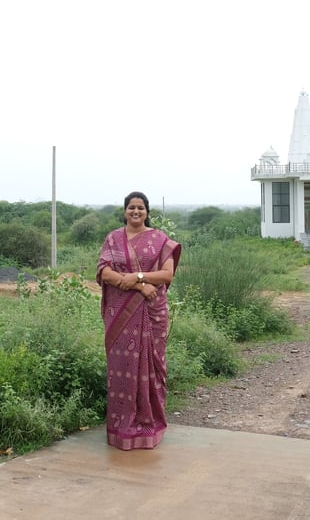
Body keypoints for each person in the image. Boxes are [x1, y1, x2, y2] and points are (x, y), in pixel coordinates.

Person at [96, 191, 182, 450]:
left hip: (152, 313)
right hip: (121, 316)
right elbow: (104, 271)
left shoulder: (159, 240)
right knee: (120, 367)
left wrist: (138, 278)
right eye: (131, 207)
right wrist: (137, 285)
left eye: (140, 208)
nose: (136, 212)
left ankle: (148, 424)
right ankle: (121, 426)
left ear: (147, 212)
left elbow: (166, 275)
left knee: (150, 368)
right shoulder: (113, 239)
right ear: (125, 211)